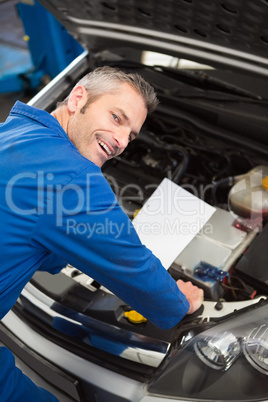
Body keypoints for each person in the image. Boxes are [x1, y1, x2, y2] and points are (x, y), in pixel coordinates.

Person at [0, 66, 203, 401]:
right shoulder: (73, 176)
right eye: (116, 117)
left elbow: (32, 229)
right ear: (78, 97)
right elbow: (133, 266)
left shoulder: (14, 130)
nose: (122, 141)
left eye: (131, 136)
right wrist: (180, 302)